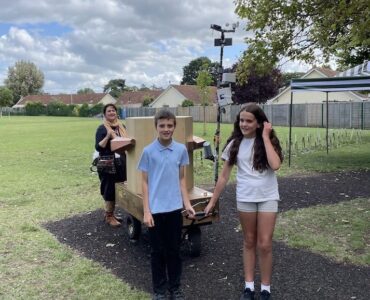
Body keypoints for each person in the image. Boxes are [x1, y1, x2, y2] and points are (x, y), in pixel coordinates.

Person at [204, 103, 283, 300]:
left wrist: (265, 137)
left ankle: (265, 288)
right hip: (245, 198)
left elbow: (276, 165)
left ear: (259, 123)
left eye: (249, 121)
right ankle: (249, 287)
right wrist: (213, 201)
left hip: (268, 197)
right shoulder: (234, 144)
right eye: (241, 120)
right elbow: (223, 177)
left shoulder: (267, 141)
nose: (244, 124)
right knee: (249, 241)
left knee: (264, 244)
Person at [137, 109, 195, 300]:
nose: (166, 129)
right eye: (162, 125)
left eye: (170, 125)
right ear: (156, 127)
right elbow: (144, 183)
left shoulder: (180, 150)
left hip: (174, 210)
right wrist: (146, 211)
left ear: (174, 127)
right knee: (157, 252)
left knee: (174, 251)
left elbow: (181, 180)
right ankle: (160, 290)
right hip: (155, 211)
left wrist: (187, 204)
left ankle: (175, 288)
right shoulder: (148, 152)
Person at [95, 103, 127, 227]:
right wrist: (108, 135)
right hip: (108, 162)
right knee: (109, 189)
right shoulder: (102, 128)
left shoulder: (121, 126)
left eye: (113, 110)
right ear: (105, 114)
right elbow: (98, 147)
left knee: (119, 187)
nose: (112, 113)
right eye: (109, 111)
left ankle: (111, 213)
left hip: (121, 162)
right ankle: (109, 216)